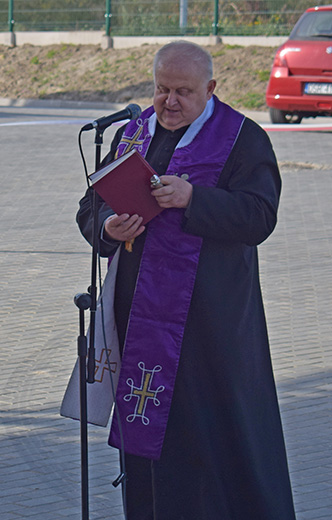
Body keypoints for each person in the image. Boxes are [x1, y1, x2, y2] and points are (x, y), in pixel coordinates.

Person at [76, 41, 295, 519]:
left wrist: (194, 198)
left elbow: (260, 216)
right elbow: (90, 206)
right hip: (139, 324)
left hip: (208, 328)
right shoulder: (132, 134)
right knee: (148, 444)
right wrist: (108, 228)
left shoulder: (243, 138)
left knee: (208, 441)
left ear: (211, 89)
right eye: (160, 90)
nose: (169, 102)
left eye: (183, 92)